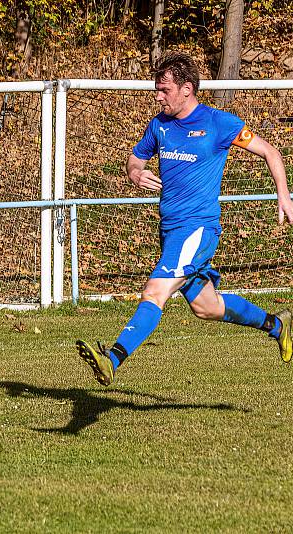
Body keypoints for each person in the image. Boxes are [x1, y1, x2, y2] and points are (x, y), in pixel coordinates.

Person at [76, 51, 293, 386]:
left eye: (164, 90)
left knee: (155, 292)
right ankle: (277, 325)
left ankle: (113, 358)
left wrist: (283, 194)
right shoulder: (159, 126)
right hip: (169, 230)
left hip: (198, 229)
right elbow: (134, 161)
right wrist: (136, 174)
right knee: (208, 307)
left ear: (187, 89)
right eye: (157, 89)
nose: (158, 96)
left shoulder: (218, 123)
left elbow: (270, 152)